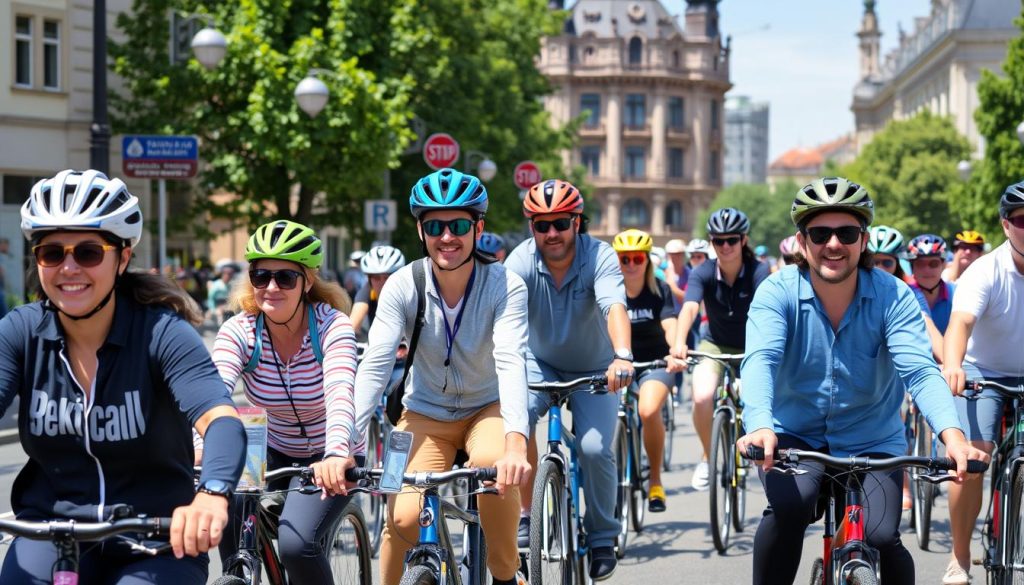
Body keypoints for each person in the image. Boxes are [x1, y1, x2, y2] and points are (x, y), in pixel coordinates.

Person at [734, 176, 988, 585]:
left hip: (873, 439)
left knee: (882, 535)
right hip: (792, 435)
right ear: (803, 242)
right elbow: (760, 361)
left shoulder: (894, 295)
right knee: (791, 508)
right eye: (820, 233)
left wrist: (953, 437)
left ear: (863, 241)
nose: (833, 244)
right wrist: (760, 425)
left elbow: (920, 371)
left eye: (847, 233)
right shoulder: (776, 293)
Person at [0, 169, 246, 584]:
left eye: (89, 252)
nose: (69, 267)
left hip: (157, 535)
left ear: (123, 257)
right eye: (52, 253)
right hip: (52, 530)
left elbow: (221, 420)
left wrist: (212, 494)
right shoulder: (21, 331)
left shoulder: (162, 333)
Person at [349, 168, 531, 585]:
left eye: (458, 225)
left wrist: (516, 445)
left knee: (492, 467)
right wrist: (344, 443)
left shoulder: (506, 284)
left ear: (478, 228)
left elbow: (510, 359)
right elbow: (376, 364)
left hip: (487, 406)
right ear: (420, 230)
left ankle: (506, 574)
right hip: (422, 412)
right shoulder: (402, 284)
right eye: (435, 225)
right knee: (402, 517)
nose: (446, 236)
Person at [210, 220, 359, 584]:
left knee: (296, 543)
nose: (271, 288)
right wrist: (200, 445)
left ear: (307, 282)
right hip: (271, 449)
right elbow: (212, 391)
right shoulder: (241, 331)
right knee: (228, 521)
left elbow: (340, 391)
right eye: (261, 276)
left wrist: (337, 452)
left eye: (285, 278)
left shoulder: (331, 327)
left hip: (330, 453)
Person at [505, 178, 634, 581]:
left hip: (597, 369)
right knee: (517, 420)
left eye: (560, 223)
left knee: (595, 448)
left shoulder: (600, 256)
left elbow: (614, 306)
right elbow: (503, 321)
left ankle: (601, 536)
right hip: (538, 363)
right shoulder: (520, 261)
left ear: (577, 222)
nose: (551, 233)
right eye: (541, 225)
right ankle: (527, 515)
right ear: (531, 228)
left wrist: (622, 356)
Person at [942, 182, 1024, 585]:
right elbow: (961, 323)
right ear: (1006, 225)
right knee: (972, 459)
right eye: (1023, 220)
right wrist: (953, 365)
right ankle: (959, 556)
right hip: (983, 373)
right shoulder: (986, 270)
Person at [667, 207, 769, 491]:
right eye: (718, 240)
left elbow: (769, 314)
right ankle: (707, 456)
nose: (725, 246)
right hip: (714, 342)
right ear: (711, 242)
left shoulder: (759, 271)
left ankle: (749, 441)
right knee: (701, 397)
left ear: (743, 240)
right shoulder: (702, 272)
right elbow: (688, 308)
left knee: (752, 398)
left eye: (732, 240)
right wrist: (677, 344)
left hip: (752, 344)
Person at [612, 229, 678, 512]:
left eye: (637, 258)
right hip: (616, 363)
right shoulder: (608, 291)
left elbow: (670, 324)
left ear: (647, 260)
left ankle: (654, 481)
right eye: (624, 259)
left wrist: (676, 350)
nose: (630, 265)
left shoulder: (659, 289)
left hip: (655, 363)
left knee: (648, 410)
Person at [907, 234, 954, 361]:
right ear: (912, 267)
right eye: (920, 264)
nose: (927, 270)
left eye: (933, 264)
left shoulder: (958, 293)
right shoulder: (905, 295)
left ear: (943, 265)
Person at [349, 244, 406, 335]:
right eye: (376, 278)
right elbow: (352, 326)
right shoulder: (367, 291)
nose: (382, 282)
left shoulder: (409, 292)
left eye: (387, 277)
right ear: (369, 279)